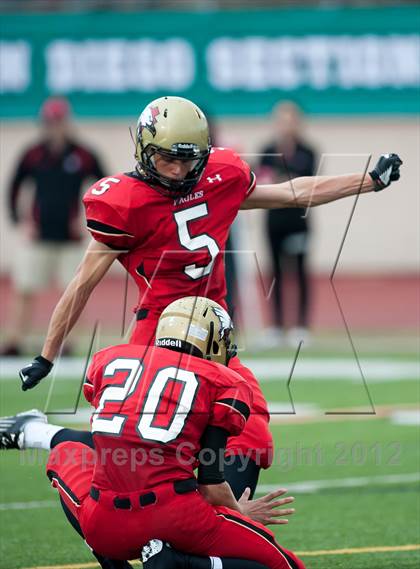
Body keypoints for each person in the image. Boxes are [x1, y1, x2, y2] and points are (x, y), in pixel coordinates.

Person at [17, 96, 401, 560]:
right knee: (136, 445)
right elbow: (80, 285)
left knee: (253, 435)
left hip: (213, 340)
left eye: (187, 159)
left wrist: (368, 181)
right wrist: (47, 354)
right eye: (166, 158)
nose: (178, 171)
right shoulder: (123, 202)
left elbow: (293, 192)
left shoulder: (221, 176)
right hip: (158, 335)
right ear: (143, 147)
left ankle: (204, 529)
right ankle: (48, 439)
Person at [2, 297, 303, 569]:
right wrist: (240, 514)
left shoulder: (109, 359)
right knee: (286, 566)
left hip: (107, 524)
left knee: (66, 453)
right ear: (211, 342)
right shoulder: (225, 381)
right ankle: (180, 563)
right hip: (176, 516)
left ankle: (112, 561)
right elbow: (211, 485)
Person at [2, 96, 106, 356]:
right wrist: (20, 221)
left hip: (69, 238)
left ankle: (66, 343)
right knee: (24, 288)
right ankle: (15, 339)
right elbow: (14, 186)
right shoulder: (33, 154)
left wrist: (90, 222)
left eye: (58, 121)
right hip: (38, 236)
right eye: (49, 122)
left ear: (67, 123)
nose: (54, 127)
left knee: (73, 292)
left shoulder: (83, 155)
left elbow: (105, 187)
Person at [257, 102, 316, 347]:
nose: (286, 125)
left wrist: (283, 180)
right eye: (281, 120)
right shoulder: (268, 149)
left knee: (300, 272)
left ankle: (301, 326)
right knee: (276, 273)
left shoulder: (308, 151)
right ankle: (277, 326)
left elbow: (307, 182)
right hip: (274, 220)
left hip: (298, 221)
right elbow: (262, 179)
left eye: (290, 120)